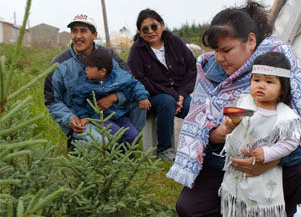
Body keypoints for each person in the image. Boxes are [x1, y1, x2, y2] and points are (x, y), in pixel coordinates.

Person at [167, 0, 301, 217]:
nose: (219, 58)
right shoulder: (209, 71)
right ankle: (242, 212)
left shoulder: (280, 60)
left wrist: (269, 160)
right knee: (190, 209)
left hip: (277, 160)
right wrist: (217, 135)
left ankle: (275, 214)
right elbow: (199, 124)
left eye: (226, 50)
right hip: (227, 162)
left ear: (251, 41)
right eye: (215, 50)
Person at [221, 52, 301, 217]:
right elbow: (230, 124)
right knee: (237, 195)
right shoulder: (243, 102)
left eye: (269, 82)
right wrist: (230, 123)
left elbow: (291, 141)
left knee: (260, 199)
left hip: (263, 170)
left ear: (283, 88)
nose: (261, 86)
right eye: (256, 80)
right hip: (236, 166)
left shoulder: (284, 117)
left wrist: (267, 153)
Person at [44, 14, 145, 148]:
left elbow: (130, 82)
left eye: (83, 31)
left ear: (94, 35)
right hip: (82, 120)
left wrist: (115, 97)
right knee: (101, 142)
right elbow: (52, 100)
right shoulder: (59, 64)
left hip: (111, 114)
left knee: (141, 103)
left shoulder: (109, 56)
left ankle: (126, 146)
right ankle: (77, 145)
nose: (78, 36)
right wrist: (70, 118)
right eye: (74, 31)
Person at [127, 9, 197, 161]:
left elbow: (192, 68)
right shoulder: (137, 51)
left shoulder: (175, 42)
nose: (150, 31)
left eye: (154, 26)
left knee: (193, 108)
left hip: (179, 94)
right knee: (166, 101)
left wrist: (182, 94)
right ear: (140, 32)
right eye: (145, 29)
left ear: (162, 25)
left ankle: (197, 147)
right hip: (150, 97)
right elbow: (139, 79)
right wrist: (174, 96)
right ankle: (164, 150)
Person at [72, 48, 151, 144]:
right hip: (98, 118)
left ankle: (125, 154)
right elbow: (78, 101)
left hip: (119, 116)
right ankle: (113, 155)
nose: (86, 69)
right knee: (116, 133)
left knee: (133, 135)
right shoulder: (84, 83)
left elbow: (134, 84)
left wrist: (142, 97)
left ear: (102, 71)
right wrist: (83, 116)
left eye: (89, 67)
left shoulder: (119, 77)